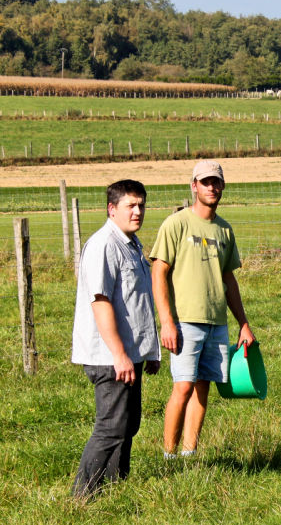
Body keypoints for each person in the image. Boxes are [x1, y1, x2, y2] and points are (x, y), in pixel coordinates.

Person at [150, 159, 255, 458]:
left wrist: (243, 323)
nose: (212, 187)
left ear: (223, 186)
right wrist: (167, 321)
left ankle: (189, 454)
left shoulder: (224, 230)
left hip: (216, 322)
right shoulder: (176, 223)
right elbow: (159, 271)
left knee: (203, 387)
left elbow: (228, 279)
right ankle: (167, 457)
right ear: (194, 186)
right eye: (205, 182)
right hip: (185, 321)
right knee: (182, 388)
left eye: (216, 182)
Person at [72, 179, 160, 498]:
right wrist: (120, 355)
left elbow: (137, 303)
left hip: (128, 355)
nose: (138, 212)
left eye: (141, 205)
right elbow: (101, 301)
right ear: (112, 209)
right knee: (110, 428)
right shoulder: (104, 245)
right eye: (130, 206)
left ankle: (114, 489)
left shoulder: (131, 244)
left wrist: (147, 352)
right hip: (109, 357)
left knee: (127, 425)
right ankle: (81, 497)